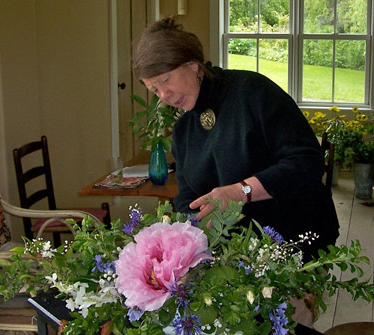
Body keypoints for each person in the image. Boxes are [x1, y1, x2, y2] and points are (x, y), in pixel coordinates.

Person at [133, 17, 339, 263]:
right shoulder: (183, 129)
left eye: (165, 80)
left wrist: (240, 192)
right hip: (235, 258)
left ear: (193, 64)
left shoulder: (252, 91)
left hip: (297, 243)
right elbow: (187, 197)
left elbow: (307, 163)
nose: (164, 96)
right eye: (154, 89)